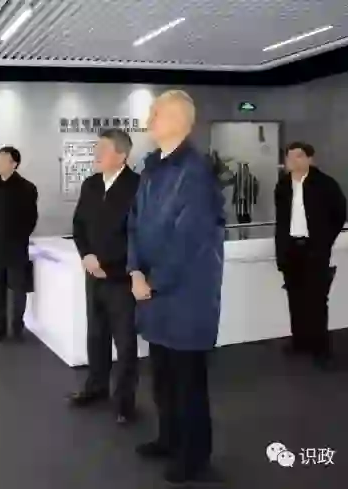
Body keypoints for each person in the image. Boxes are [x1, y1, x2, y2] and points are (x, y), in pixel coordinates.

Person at [127, 90, 225, 484]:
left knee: (188, 383)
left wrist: (152, 281)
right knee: (163, 376)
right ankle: (169, 439)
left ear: (181, 121)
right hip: (153, 293)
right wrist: (135, 271)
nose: (150, 117)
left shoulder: (196, 172)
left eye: (158, 112)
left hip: (185, 296)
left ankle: (194, 455)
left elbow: (190, 241)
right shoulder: (152, 167)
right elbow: (134, 224)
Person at [67, 129, 140, 425]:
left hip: (121, 277)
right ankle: (96, 387)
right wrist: (86, 255)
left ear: (121, 155)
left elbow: (139, 235)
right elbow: (79, 225)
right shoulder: (91, 184)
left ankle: (124, 402)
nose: (95, 154)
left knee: (125, 343)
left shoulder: (138, 186)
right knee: (96, 335)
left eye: (103, 149)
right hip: (93, 274)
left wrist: (107, 264)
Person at [274, 142, 346, 368]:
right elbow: (281, 220)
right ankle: (300, 342)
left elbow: (339, 213)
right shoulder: (283, 185)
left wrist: (324, 239)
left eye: (298, 156)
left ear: (309, 159)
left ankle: (321, 349)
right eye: (289, 157)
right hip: (291, 249)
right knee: (295, 299)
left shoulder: (325, 184)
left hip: (315, 250)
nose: (293, 161)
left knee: (316, 300)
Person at [0, 146, 38, 343]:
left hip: (16, 247)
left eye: (3, 160)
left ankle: (17, 327)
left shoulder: (27, 188)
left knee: (18, 289)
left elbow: (31, 218)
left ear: (14, 164)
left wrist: (19, 237)